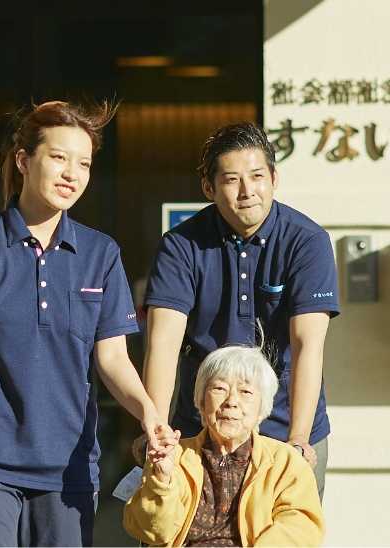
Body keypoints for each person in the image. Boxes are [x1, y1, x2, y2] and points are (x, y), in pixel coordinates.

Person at [0, 100, 169, 547]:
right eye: (59, 157)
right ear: (23, 160)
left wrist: (149, 413)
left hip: (69, 467)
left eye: (84, 163)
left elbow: (113, 359)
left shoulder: (101, 254)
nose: (72, 173)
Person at [134, 122, 340, 499]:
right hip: (200, 431)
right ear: (208, 188)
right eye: (231, 180)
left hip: (284, 430)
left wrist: (298, 438)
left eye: (257, 176)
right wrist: (157, 429)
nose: (247, 191)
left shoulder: (307, 241)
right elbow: (163, 344)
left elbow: (308, 346)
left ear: (274, 178)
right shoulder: (180, 245)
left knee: (285, 529)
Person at [124, 345, 325, 547]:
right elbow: (150, 532)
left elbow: (299, 529)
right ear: (202, 402)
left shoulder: (287, 463)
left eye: (245, 391)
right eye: (219, 389)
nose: (231, 401)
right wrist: (162, 479)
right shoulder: (173, 455)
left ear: (262, 408)